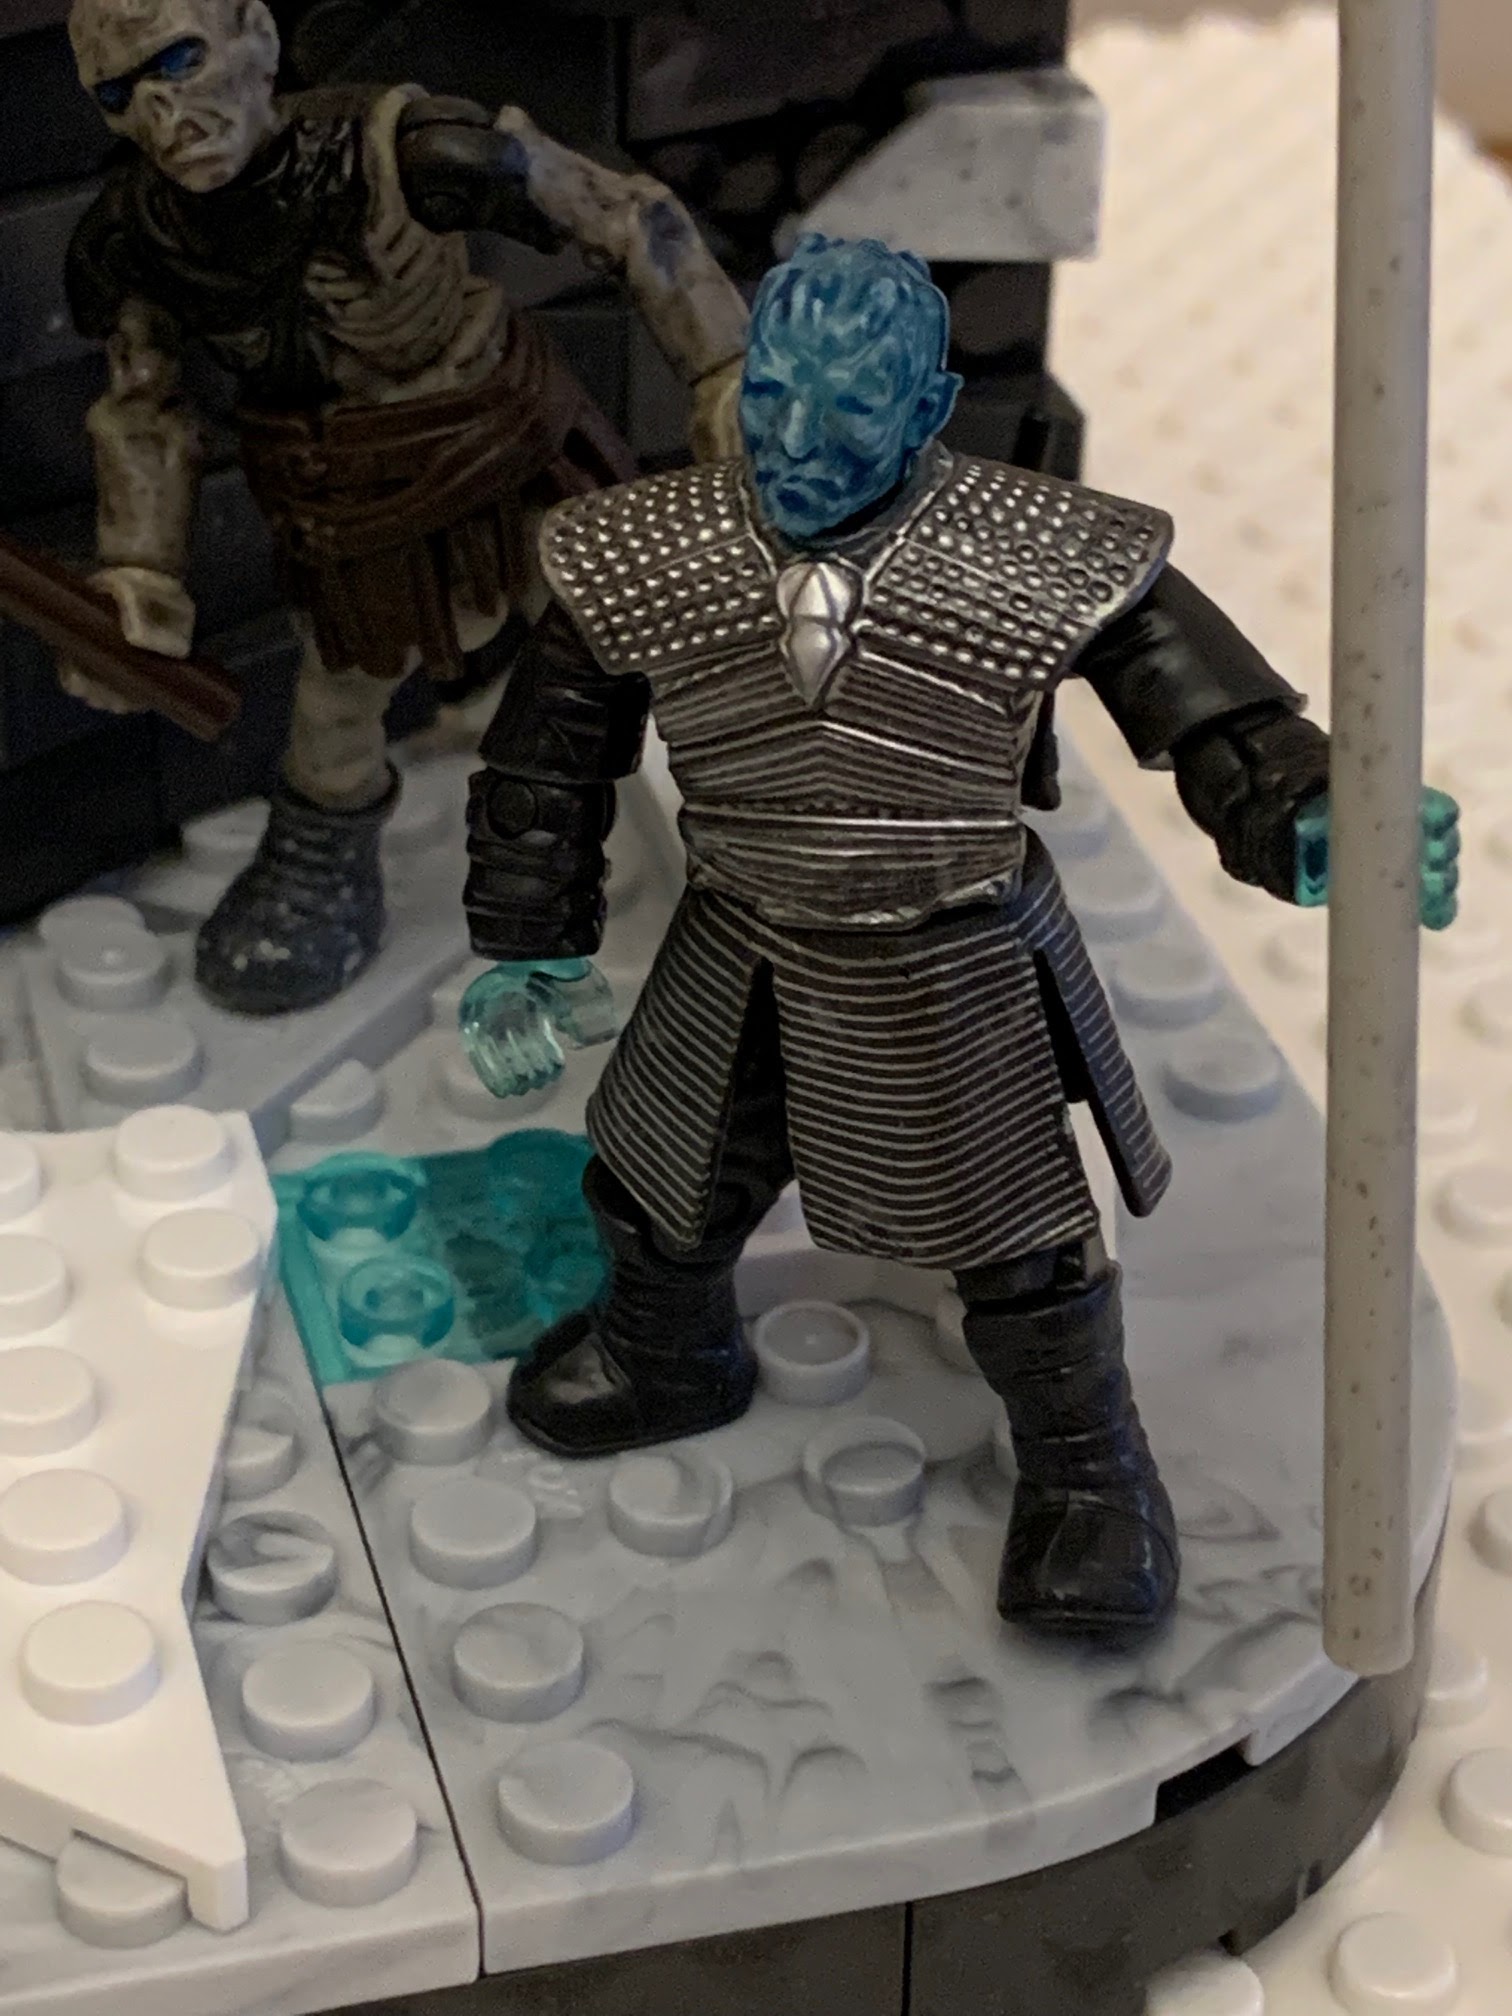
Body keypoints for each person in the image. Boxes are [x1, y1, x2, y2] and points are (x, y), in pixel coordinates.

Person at [462, 234, 1457, 1644]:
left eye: (848, 413)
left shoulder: (1036, 551)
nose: (798, 446)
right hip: (738, 928)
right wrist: (531, 944)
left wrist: (1317, 815)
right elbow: (547, 759)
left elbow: (1212, 718)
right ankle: (664, 1354)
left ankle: (1088, 1469)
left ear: (930, 410)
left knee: (1019, 1237)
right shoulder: (651, 546)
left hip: (948, 955)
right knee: (659, 1175)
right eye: (774, 402)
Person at [60, 0, 749, 1014]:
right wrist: (140, 574)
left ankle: (758, 832)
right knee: (338, 701)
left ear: (255, 37)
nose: (163, 117)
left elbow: (620, 214)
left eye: (178, 63)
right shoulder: (139, 239)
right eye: (120, 95)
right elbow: (142, 409)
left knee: (639, 627)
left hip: (503, 450)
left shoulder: (402, 152)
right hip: (345, 501)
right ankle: (321, 866)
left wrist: (725, 370)